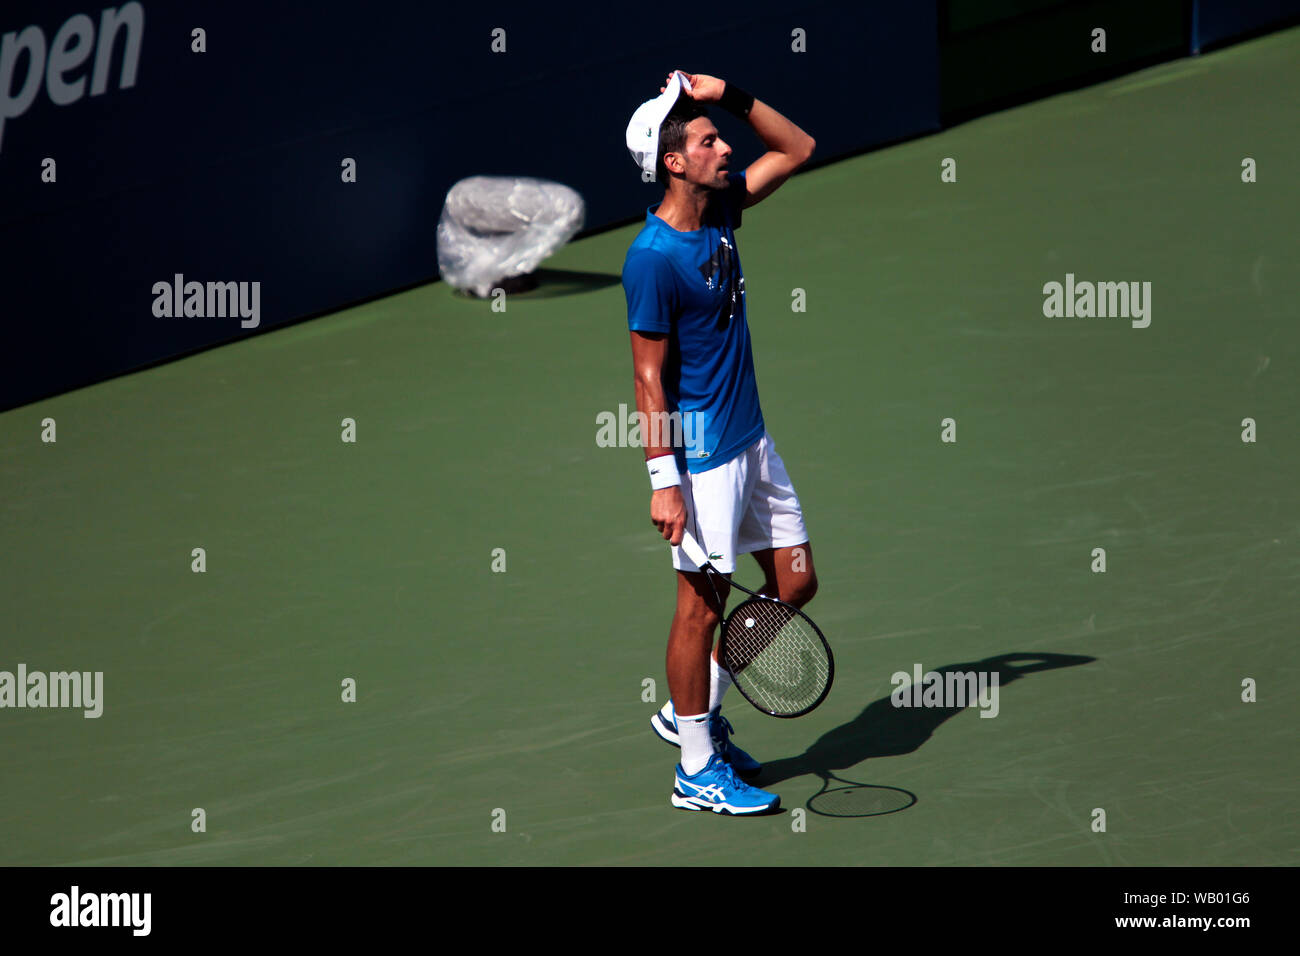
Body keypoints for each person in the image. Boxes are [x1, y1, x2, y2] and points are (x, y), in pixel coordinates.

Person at [621, 70, 818, 814]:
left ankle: (688, 712)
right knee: (698, 608)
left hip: (753, 443)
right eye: (708, 139)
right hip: (702, 462)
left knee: (794, 584)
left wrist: (729, 92)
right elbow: (648, 379)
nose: (725, 145)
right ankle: (695, 771)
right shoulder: (652, 258)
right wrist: (662, 479)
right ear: (674, 161)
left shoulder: (721, 212)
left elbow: (796, 146)